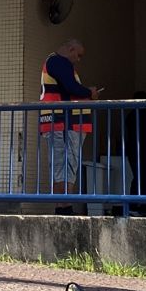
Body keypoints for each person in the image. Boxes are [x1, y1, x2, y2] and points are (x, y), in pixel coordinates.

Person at [39, 39, 100, 216]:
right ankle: (64, 208)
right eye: (78, 55)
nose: (78, 60)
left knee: (64, 166)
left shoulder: (55, 63)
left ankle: (63, 206)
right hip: (63, 122)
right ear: (71, 49)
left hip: (64, 122)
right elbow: (70, 86)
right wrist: (90, 92)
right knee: (64, 165)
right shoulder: (58, 61)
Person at [121, 91, 146, 215]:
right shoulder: (145, 116)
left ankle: (136, 206)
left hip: (134, 151)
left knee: (139, 178)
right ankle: (142, 207)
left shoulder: (130, 116)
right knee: (145, 178)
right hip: (145, 150)